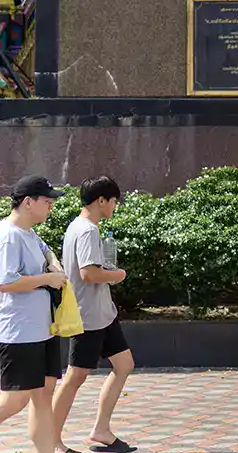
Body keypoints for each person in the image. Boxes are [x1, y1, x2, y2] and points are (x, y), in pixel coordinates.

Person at [53, 176, 135, 453]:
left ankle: (101, 431)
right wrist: (118, 275)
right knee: (74, 377)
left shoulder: (79, 226)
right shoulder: (87, 230)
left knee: (124, 365)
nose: (114, 207)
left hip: (103, 314)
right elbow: (89, 273)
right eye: (113, 202)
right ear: (101, 200)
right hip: (87, 317)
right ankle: (49, 439)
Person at [0, 175, 67, 453]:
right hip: (20, 331)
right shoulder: (9, 235)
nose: (51, 206)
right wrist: (47, 279)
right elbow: (5, 281)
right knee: (15, 400)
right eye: (47, 201)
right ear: (28, 203)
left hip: (42, 329)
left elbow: (46, 252)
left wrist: (54, 265)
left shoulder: (29, 232)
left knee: (43, 394)